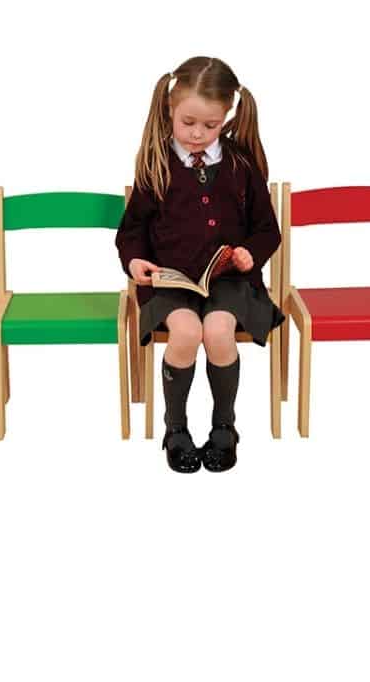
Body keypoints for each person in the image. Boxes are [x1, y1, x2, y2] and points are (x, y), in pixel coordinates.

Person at [115, 56, 284, 473]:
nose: (197, 134)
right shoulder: (156, 163)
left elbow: (267, 230)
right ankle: (175, 430)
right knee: (187, 331)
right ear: (169, 109)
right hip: (170, 283)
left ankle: (224, 428)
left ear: (226, 117)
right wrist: (134, 261)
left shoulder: (241, 164)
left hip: (231, 282)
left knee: (218, 330)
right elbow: (131, 231)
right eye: (188, 122)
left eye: (210, 126)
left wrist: (250, 252)